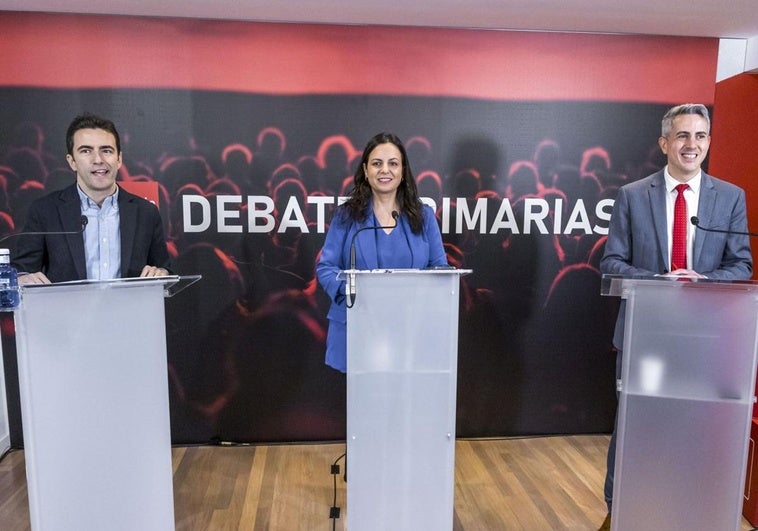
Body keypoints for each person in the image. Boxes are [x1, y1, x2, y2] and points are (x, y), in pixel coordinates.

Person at [597, 103, 753, 530]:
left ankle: (688, 509)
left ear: (708, 143)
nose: (692, 145)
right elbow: (612, 263)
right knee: (637, 427)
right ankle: (621, 508)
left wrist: (702, 279)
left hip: (706, 340)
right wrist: (660, 281)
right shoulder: (632, 195)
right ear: (665, 143)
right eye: (683, 136)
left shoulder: (730, 197)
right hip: (647, 336)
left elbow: (742, 266)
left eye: (700, 136)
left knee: (695, 431)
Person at [316, 132, 448, 372]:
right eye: (377, 163)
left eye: (393, 164)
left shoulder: (424, 216)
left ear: (402, 171)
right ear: (366, 171)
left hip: (412, 333)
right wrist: (351, 290)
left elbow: (441, 271)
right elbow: (326, 268)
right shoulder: (346, 215)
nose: (384, 170)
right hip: (356, 328)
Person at [12, 113, 171, 284]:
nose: (98, 160)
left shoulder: (146, 212)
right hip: (66, 310)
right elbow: (22, 271)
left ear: (119, 159)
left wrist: (161, 273)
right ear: (72, 161)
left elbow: (164, 270)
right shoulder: (45, 211)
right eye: (86, 151)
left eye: (106, 151)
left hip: (129, 310)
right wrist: (22, 278)